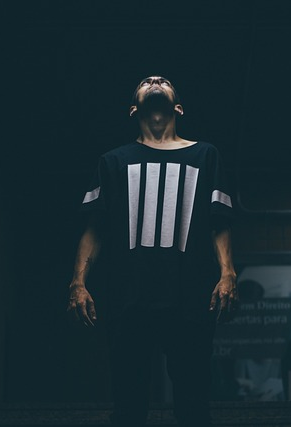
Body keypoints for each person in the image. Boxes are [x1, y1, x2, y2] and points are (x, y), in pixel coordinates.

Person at [66, 75, 238, 427]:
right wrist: (78, 282)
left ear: (179, 108)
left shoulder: (205, 155)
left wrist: (227, 273)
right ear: (134, 109)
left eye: (163, 81)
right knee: (128, 405)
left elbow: (218, 222)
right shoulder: (112, 161)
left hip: (190, 293)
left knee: (193, 402)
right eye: (146, 82)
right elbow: (95, 228)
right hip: (129, 294)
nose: (155, 81)